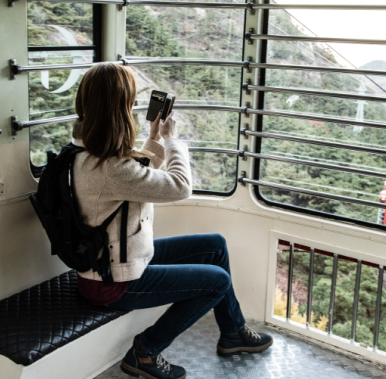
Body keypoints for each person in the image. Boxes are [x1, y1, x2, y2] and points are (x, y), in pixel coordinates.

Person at [71, 63, 272, 379]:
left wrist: (153, 138)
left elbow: (136, 176)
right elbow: (179, 185)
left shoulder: (85, 152)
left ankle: (233, 331)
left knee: (214, 246)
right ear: (118, 108)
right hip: (113, 283)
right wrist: (173, 140)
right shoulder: (110, 167)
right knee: (217, 280)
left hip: (113, 262)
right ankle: (146, 351)